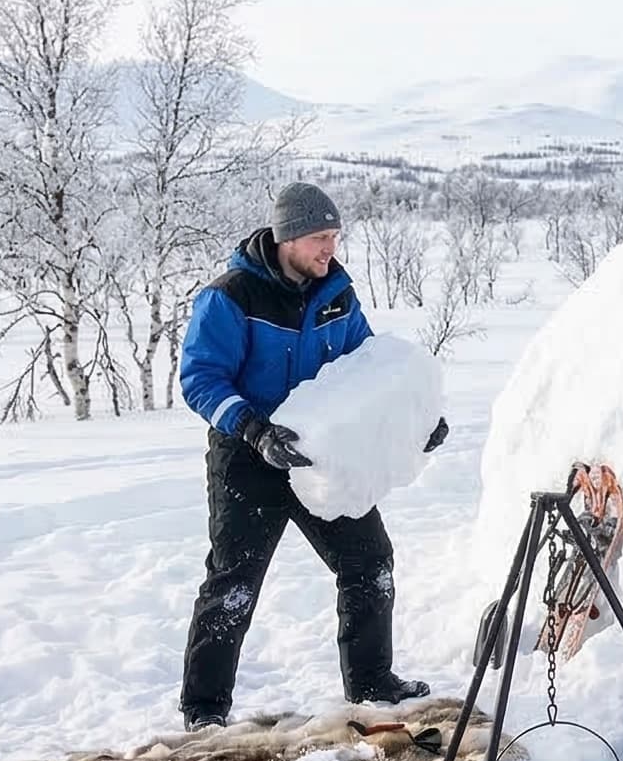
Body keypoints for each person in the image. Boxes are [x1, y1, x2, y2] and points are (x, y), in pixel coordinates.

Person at [175, 181, 446, 728]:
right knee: (233, 583)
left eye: (334, 235)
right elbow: (200, 377)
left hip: (319, 460)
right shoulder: (232, 296)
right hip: (247, 458)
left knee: (370, 562)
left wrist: (416, 418)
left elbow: (372, 369)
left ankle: (372, 683)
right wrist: (253, 429)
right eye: (320, 237)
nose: (331, 248)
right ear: (287, 238)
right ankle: (204, 710)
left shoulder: (337, 294)